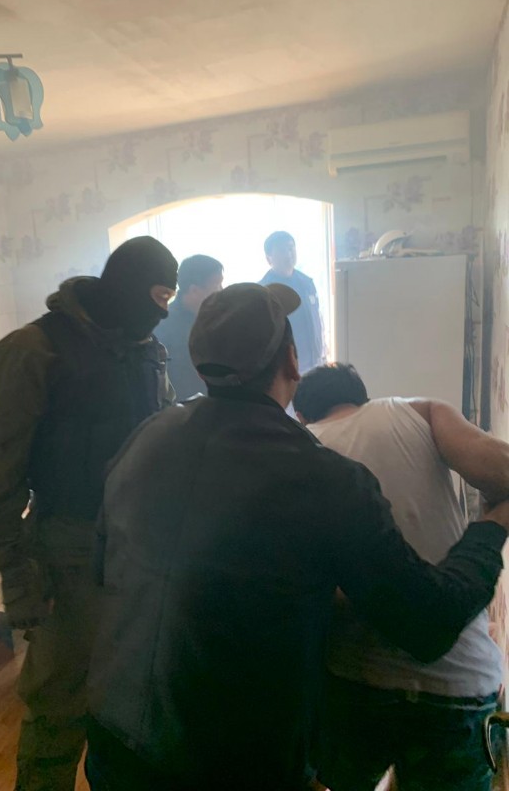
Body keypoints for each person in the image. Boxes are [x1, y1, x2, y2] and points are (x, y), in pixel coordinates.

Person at [86, 282, 509, 791]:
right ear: (291, 360)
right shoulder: (323, 476)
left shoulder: (146, 438)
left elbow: (104, 567)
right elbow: (426, 623)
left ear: (200, 367)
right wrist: (493, 524)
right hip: (232, 762)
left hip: (115, 742)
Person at [0, 236, 178, 791]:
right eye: (159, 297)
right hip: (69, 549)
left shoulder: (146, 347)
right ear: (129, 288)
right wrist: (17, 574)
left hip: (142, 550)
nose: (162, 313)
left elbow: (162, 426)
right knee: (59, 707)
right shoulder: (34, 349)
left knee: (131, 703)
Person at [295, 363, 509, 791]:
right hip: (457, 684)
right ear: (363, 397)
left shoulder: (300, 452)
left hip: (355, 682)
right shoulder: (418, 411)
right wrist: (494, 513)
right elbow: (500, 469)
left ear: (302, 415)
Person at [155, 254, 224, 400]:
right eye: (217, 286)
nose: (222, 291)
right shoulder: (164, 325)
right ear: (194, 291)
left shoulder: (217, 317)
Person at [259, 231, 324, 373]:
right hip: (284, 368)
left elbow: (317, 318)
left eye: (290, 248)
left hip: (314, 362)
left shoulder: (307, 283)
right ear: (269, 258)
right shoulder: (264, 291)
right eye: (282, 250)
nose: (288, 254)